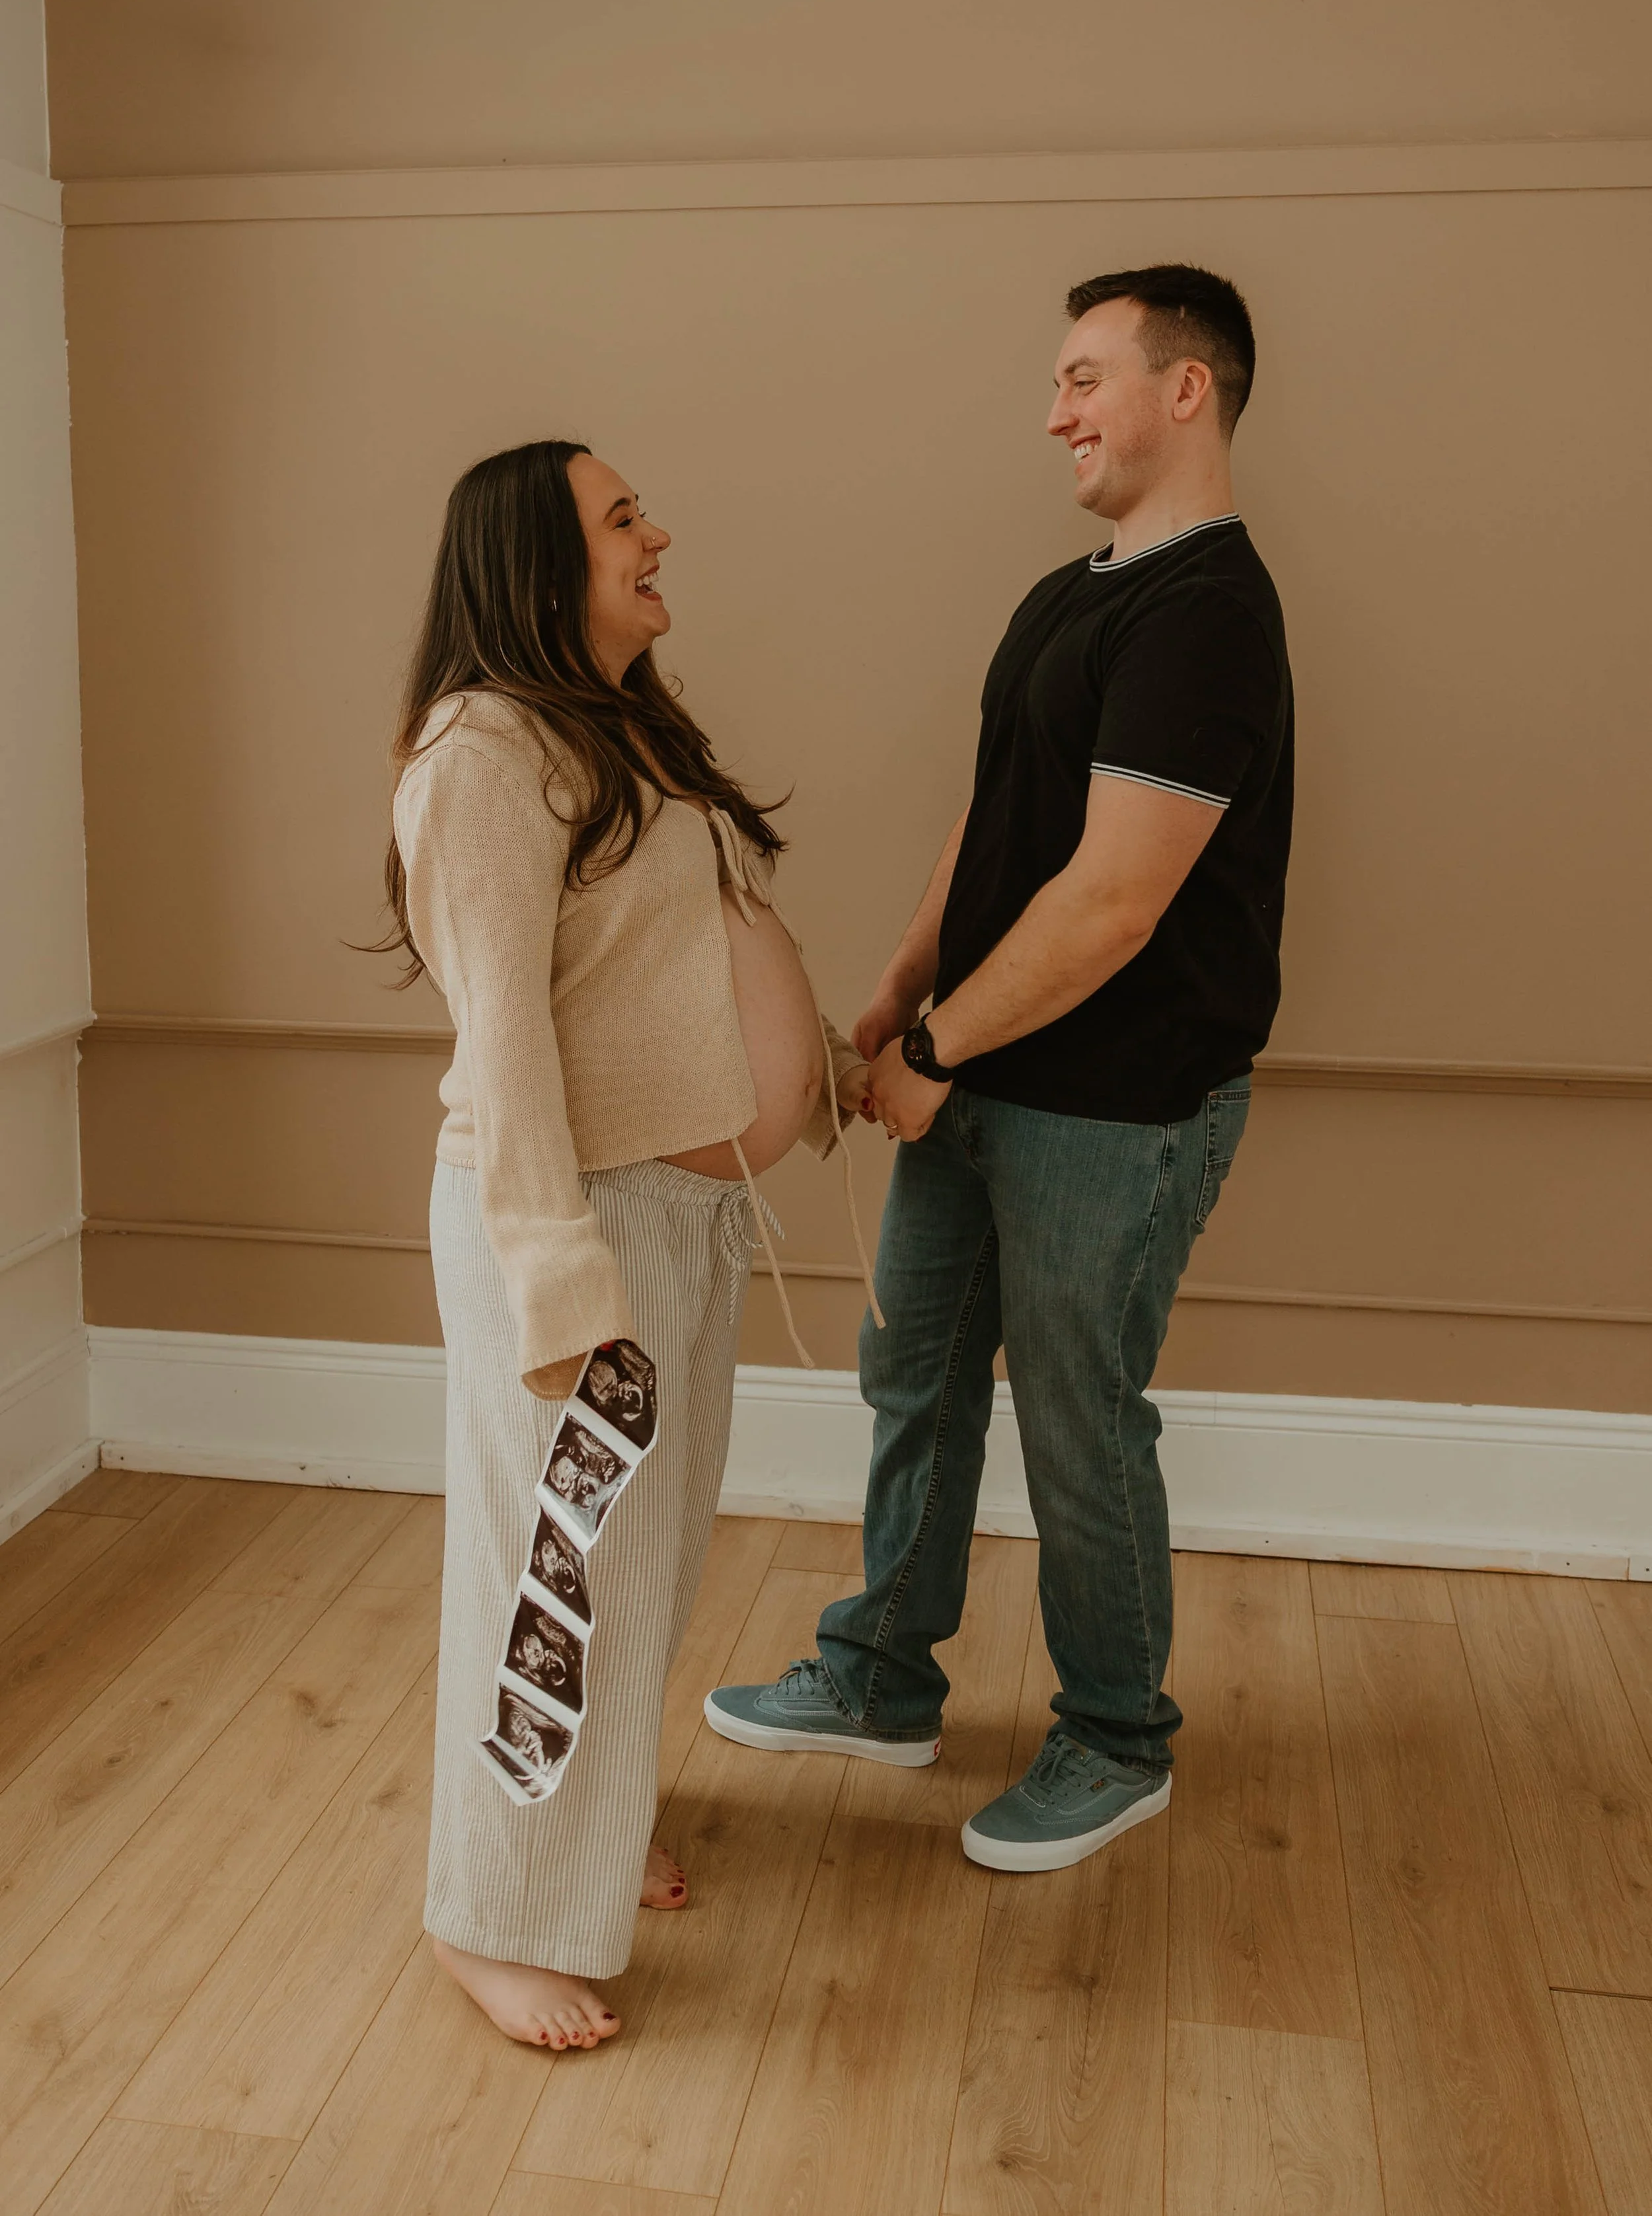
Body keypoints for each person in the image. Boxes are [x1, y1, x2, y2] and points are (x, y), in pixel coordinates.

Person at [707, 264, 1293, 1872]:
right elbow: (994, 827)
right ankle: (882, 1675)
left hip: (1116, 1105)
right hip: (974, 1073)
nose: (1054, 412)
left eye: (1083, 377)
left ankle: (1115, 1740)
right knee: (912, 1370)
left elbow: (1112, 897)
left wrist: (938, 1051)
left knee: (1077, 1416)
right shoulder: (1067, 596)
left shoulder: (1209, 616)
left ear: (1185, 390)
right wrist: (898, 1001)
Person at [382, 439, 874, 2048]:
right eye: (619, 520)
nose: (657, 533)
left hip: (679, 1219)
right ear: (537, 566)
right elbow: (507, 1049)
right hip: (575, 1229)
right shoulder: (478, 758)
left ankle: (578, 1836)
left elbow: (699, 957)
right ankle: (492, 1917)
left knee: (633, 1568)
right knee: (553, 1578)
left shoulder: (614, 735)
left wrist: (836, 1075)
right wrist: (562, 1289)